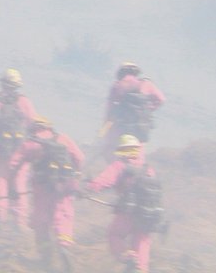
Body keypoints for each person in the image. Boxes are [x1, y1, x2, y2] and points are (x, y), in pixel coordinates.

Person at [10, 116, 85, 267]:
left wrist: (13, 187)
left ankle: (45, 257)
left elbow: (14, 164)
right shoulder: (63, 138)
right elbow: (80, 158)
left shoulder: (30, 143)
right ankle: (64, 245)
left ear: (33, 128)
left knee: (41, 221)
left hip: (42, 187)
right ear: (49, 127)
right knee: (63, 216)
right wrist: (76, 176)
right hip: (66, 184)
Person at [86, 134, 165, 272]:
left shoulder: (120, 166)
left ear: (122, 150)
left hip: (127, 213)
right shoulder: (149, 169)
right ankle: (139, 268)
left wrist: (88, 188)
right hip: (147, 215)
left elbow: (103, 181)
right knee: (142, 242)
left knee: (115, 235)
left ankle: (127, 257)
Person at [0, 68, 37, 229]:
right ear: (17, 85)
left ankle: (0, 218)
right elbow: (33, 124)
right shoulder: (24, 102)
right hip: (20, 149)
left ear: (2, 83)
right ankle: (20, 222)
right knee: (19, 182)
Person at [101, 62, 164, 156]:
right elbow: (161, 99)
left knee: (118, 153)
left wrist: (103, 132)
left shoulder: (117, 85)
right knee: (138, 154)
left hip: (122, 127)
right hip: (142, 127)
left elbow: (110, 110)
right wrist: (149, 109)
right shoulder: (146, 84)